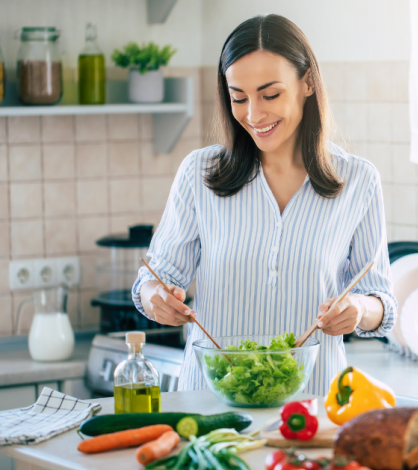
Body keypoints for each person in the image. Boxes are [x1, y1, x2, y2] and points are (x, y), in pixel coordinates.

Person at [132, 14, 396, 395]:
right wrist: (156, 298)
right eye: (239, 98)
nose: (254, 116)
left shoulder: (358, 181)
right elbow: (153, 280)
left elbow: (382, 302)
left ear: (307, 83)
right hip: (212, 406)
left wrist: (359, 309)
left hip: (311, 410)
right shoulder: (199, 173)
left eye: (270, 95)